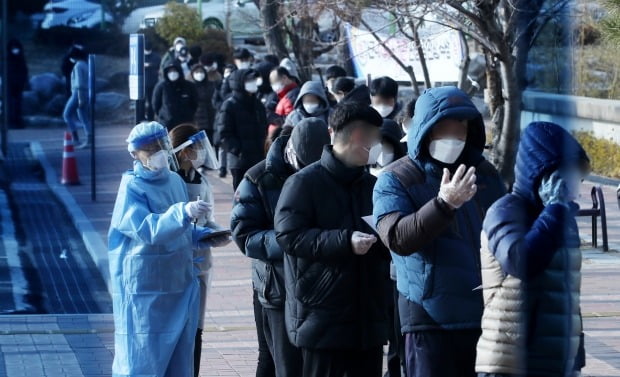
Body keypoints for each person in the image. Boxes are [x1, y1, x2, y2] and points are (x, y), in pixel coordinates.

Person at [373, 86, 506, 377]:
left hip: (485, 313)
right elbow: (397, 238)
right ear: (425, 130)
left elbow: (507, 230)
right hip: (429, 317)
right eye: (446, 132)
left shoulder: (483, 173)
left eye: (461, 133)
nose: (454, 140)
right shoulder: (396, 178)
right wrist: (444, 203)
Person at [274, 102, 391, 377]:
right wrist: (344, 241)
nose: (378, 146)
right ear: (359, 137)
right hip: (322, 316)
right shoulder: (304, 183)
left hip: (367, 318)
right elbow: (289, 236)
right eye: (375, 138)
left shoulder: (372, 185)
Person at [475, 121, 588, 377]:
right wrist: (556, 208)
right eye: (565, 174)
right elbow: (522, 262)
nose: (573, 183)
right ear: (542, 173)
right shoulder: (506, 210)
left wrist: (575, 358)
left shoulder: (560, 218)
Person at [108, 121, 214, 377]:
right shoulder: (132, 187)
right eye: (149, 148)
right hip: (145, 292)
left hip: (176, 285)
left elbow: (179, 232)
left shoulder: (176, 182)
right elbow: (146, 229)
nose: (157, 152)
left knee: (177, 360)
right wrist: (183, 212)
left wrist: (203, 235)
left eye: (161, 145)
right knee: (143, 361)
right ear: (135, 154)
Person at [231, 118, 330, 377]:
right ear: (290, 151)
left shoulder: (330, 172)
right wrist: (292, 240)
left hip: (321, 287)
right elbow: (244, 234)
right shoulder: (258, 178)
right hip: (276, 287)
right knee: (277, 362)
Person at [169, 124, 230, 377]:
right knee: (177, 328)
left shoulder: (201, 179)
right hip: (175, 263)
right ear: (184, 151)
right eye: (196, 149)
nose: (201, 153)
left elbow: (207, 218)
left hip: (201, 261)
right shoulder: (170, 182)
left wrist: (217, 232)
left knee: (197, 327)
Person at [215, 69, 267, 190]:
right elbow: (223, 133)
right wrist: (238, 150)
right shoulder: (229, 105)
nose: (253, 83)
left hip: (259, 160)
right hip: (240, 162)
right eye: (249, 80)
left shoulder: (258, 104)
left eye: (254, 80)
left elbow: (263, 128)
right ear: (239, 83)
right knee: (242, 197)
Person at [152, 63, 198, 131]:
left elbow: (195, 103)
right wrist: (164, 116)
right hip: (167, 123)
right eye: (170, 71)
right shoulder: (161, 86)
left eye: (174, 71)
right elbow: (155, 105)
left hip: (185, 122)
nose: (172, 73)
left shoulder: (189, 86)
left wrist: (189, 114)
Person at [63, 46, 91, 149]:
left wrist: (80, 97)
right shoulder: (85, 64)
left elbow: (79, 83)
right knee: (84, 117)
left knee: (67, 114)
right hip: (85, 92)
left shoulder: (78, 65)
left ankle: (76, 139)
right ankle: (89, 140)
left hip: (78, 92)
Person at [189, 65, 217, 144]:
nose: (199, 74)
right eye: (197, 72)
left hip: (212, 118)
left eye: (201, 72)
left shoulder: (212, 85)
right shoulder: (191, 87)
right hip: (198, 120)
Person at [6, 38, 29, 129]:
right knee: (10, 105)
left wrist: (24, 83)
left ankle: (17, 122)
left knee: (18, 105)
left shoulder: (21, 59)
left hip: (18, 85)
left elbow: (24, 71)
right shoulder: (7, 59)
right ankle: (11, 122)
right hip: (9, 85)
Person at [268, 67, 299, 133]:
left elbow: (290, 120)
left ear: (285, 78)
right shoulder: (282, 95)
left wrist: (273, 117)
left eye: (275, 81)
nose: (273, 85)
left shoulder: (291, 96)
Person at [144, 41, 162, 121]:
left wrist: (148, 65)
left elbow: (159, 69)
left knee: (151, 102)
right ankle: (146, 117)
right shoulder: (140, 56)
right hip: (145, 83)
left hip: (152, 83)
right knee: (145, 102)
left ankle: (150, 118)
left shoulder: (156, 57)